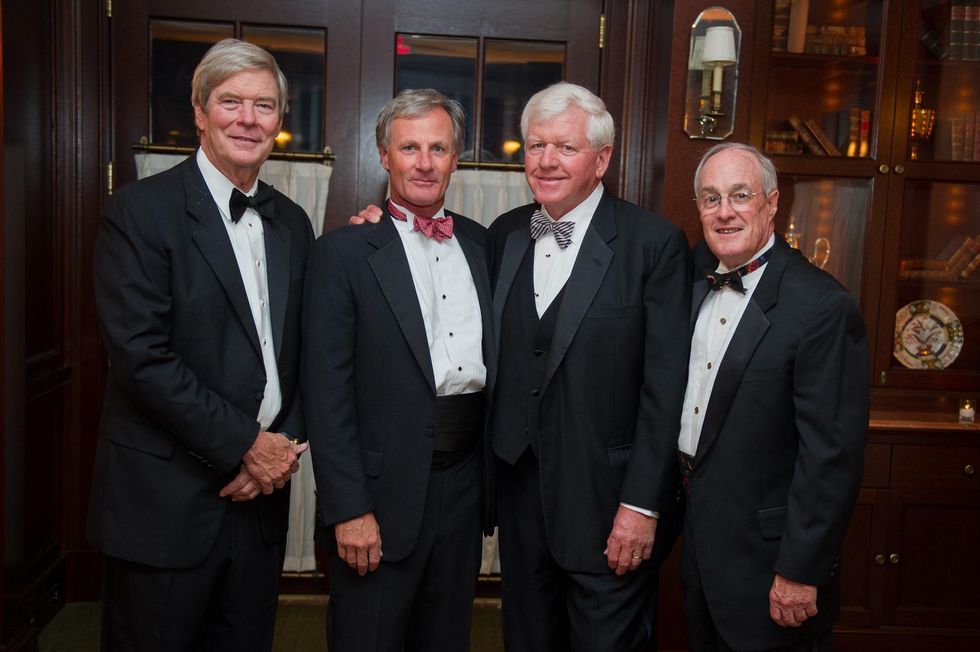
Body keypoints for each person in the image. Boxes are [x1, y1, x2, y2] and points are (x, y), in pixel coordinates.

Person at [87, 39, 312, 651]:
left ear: (280, 121)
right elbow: (142, 356)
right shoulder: (140, 211)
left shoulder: (293, 221)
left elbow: (303, 352)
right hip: (166, 504)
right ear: (199, 111)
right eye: (231, 101)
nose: (248, 118)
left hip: (260, 502)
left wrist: (281, 449)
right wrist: (245, 445)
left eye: (264, 106)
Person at [488, 82, 691, 651]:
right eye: (535, 146)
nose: (546, 161)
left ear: (601, 159)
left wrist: (642, 504)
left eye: (565, 147)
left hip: (610, 507)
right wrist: (376, 225)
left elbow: (665, 388)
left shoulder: (654, 244)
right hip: (520, 496)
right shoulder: (504, 235)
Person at [303, 88, 494, 652]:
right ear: (384, 155)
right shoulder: (342, 253)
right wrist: (349, 508)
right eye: (409, 147)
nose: (425, 162)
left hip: (464, 487)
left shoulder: (486, 246)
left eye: (439, 148)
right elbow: (326, 392)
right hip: (379, 496)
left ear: (456, 159)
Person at [679, 142, 868, 652]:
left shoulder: (822, 306)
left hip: (775, 572)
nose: (725, 211)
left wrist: (800, 572)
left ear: (771, 202)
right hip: (702, 561)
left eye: (741, 195)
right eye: (710, 198)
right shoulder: (691, 286)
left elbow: (831, 456)